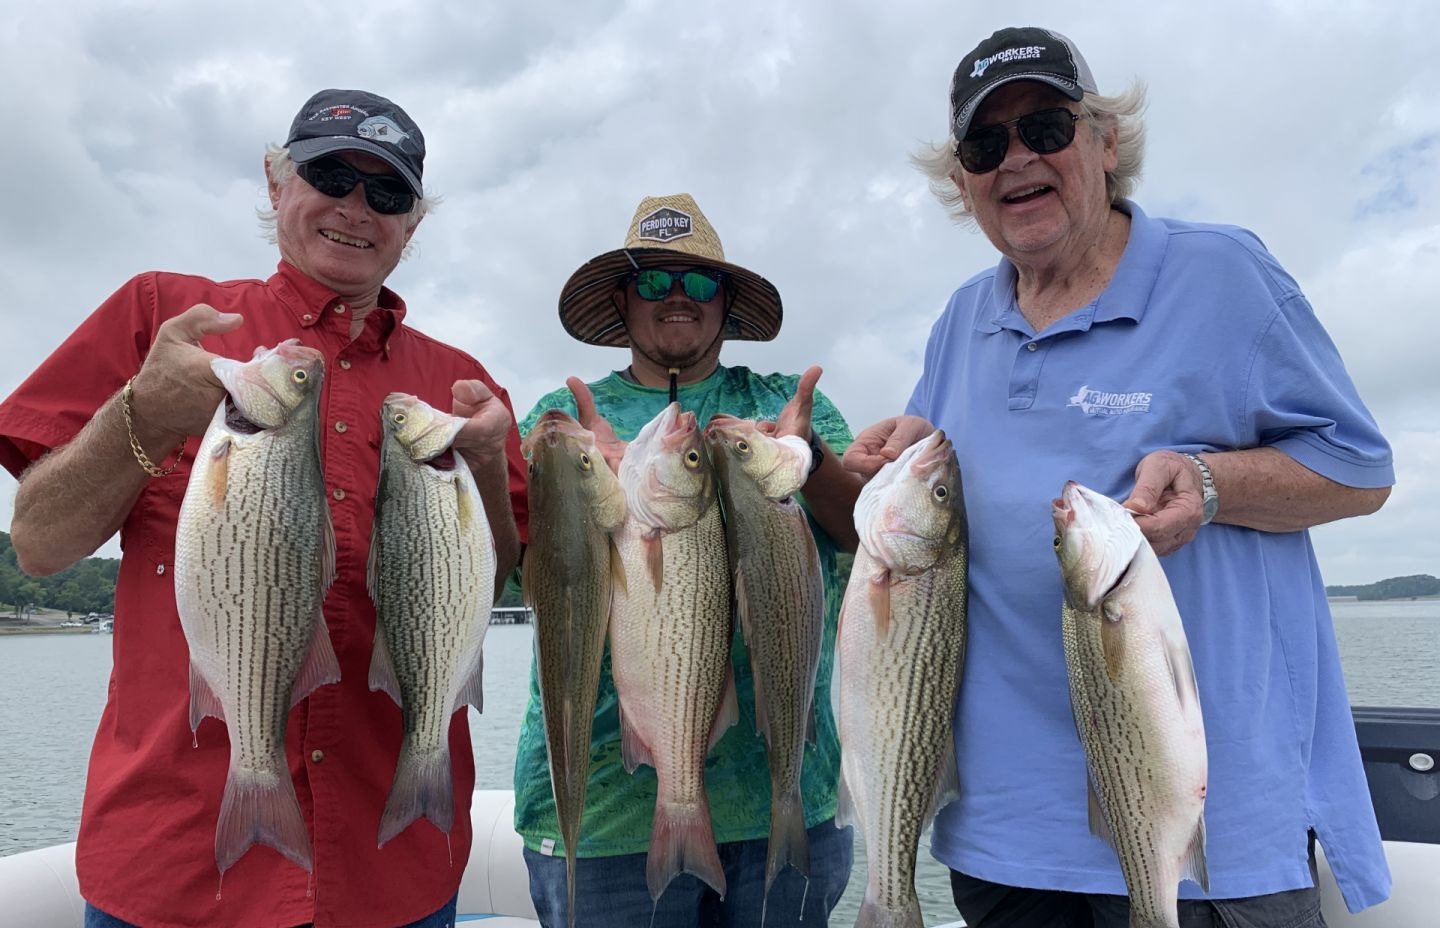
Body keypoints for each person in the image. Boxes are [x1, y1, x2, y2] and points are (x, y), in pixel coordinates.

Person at [844, 26, 1394, 928]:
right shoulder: (961, 320)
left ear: (1106, 142)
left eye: (1047, 128)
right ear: (963, 181)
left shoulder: (1223, 276)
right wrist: (901, 453)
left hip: (1206, 840)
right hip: (1006, 840)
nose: (1017, 158)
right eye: (986, 145)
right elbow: (943, 488)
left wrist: (1212, 485)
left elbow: (1360, 471)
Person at [0, 89, 527, 928]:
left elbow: (486, 586)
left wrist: (491, 467)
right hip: (174, 863)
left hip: (393, 866)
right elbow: (38, 544)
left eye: (387, 193)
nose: (356, 208)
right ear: (277, 181)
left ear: (413, 223)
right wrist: (143, 413)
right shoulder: (163, 318)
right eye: (331, 177)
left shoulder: (461, 385)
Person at [511, 193, 861, 927]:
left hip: (783, 798)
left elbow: (862, 530)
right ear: (621, 301)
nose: (678, 296)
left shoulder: (786, 406)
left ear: (727, 303)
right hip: (601, 810)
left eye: (700, 282)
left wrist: (804, 453)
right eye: (653, 282)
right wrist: (573, 484)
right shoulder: (559, 422)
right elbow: (521, 573)